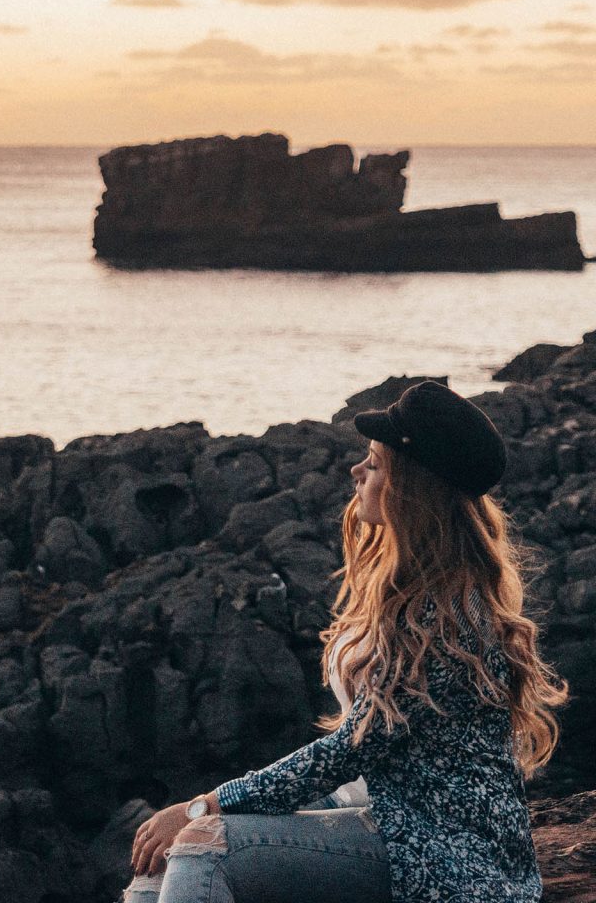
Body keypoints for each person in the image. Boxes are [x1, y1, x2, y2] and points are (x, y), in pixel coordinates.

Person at [120, 379, 568, 903]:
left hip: (441, 851)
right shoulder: (410, 586)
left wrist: (206, 805)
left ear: (410, 486)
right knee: (158, 867)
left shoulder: (445, 614)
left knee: (201, 845)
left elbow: (348, 748)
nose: (357, 471)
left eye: (375, 463)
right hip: (380, 812)